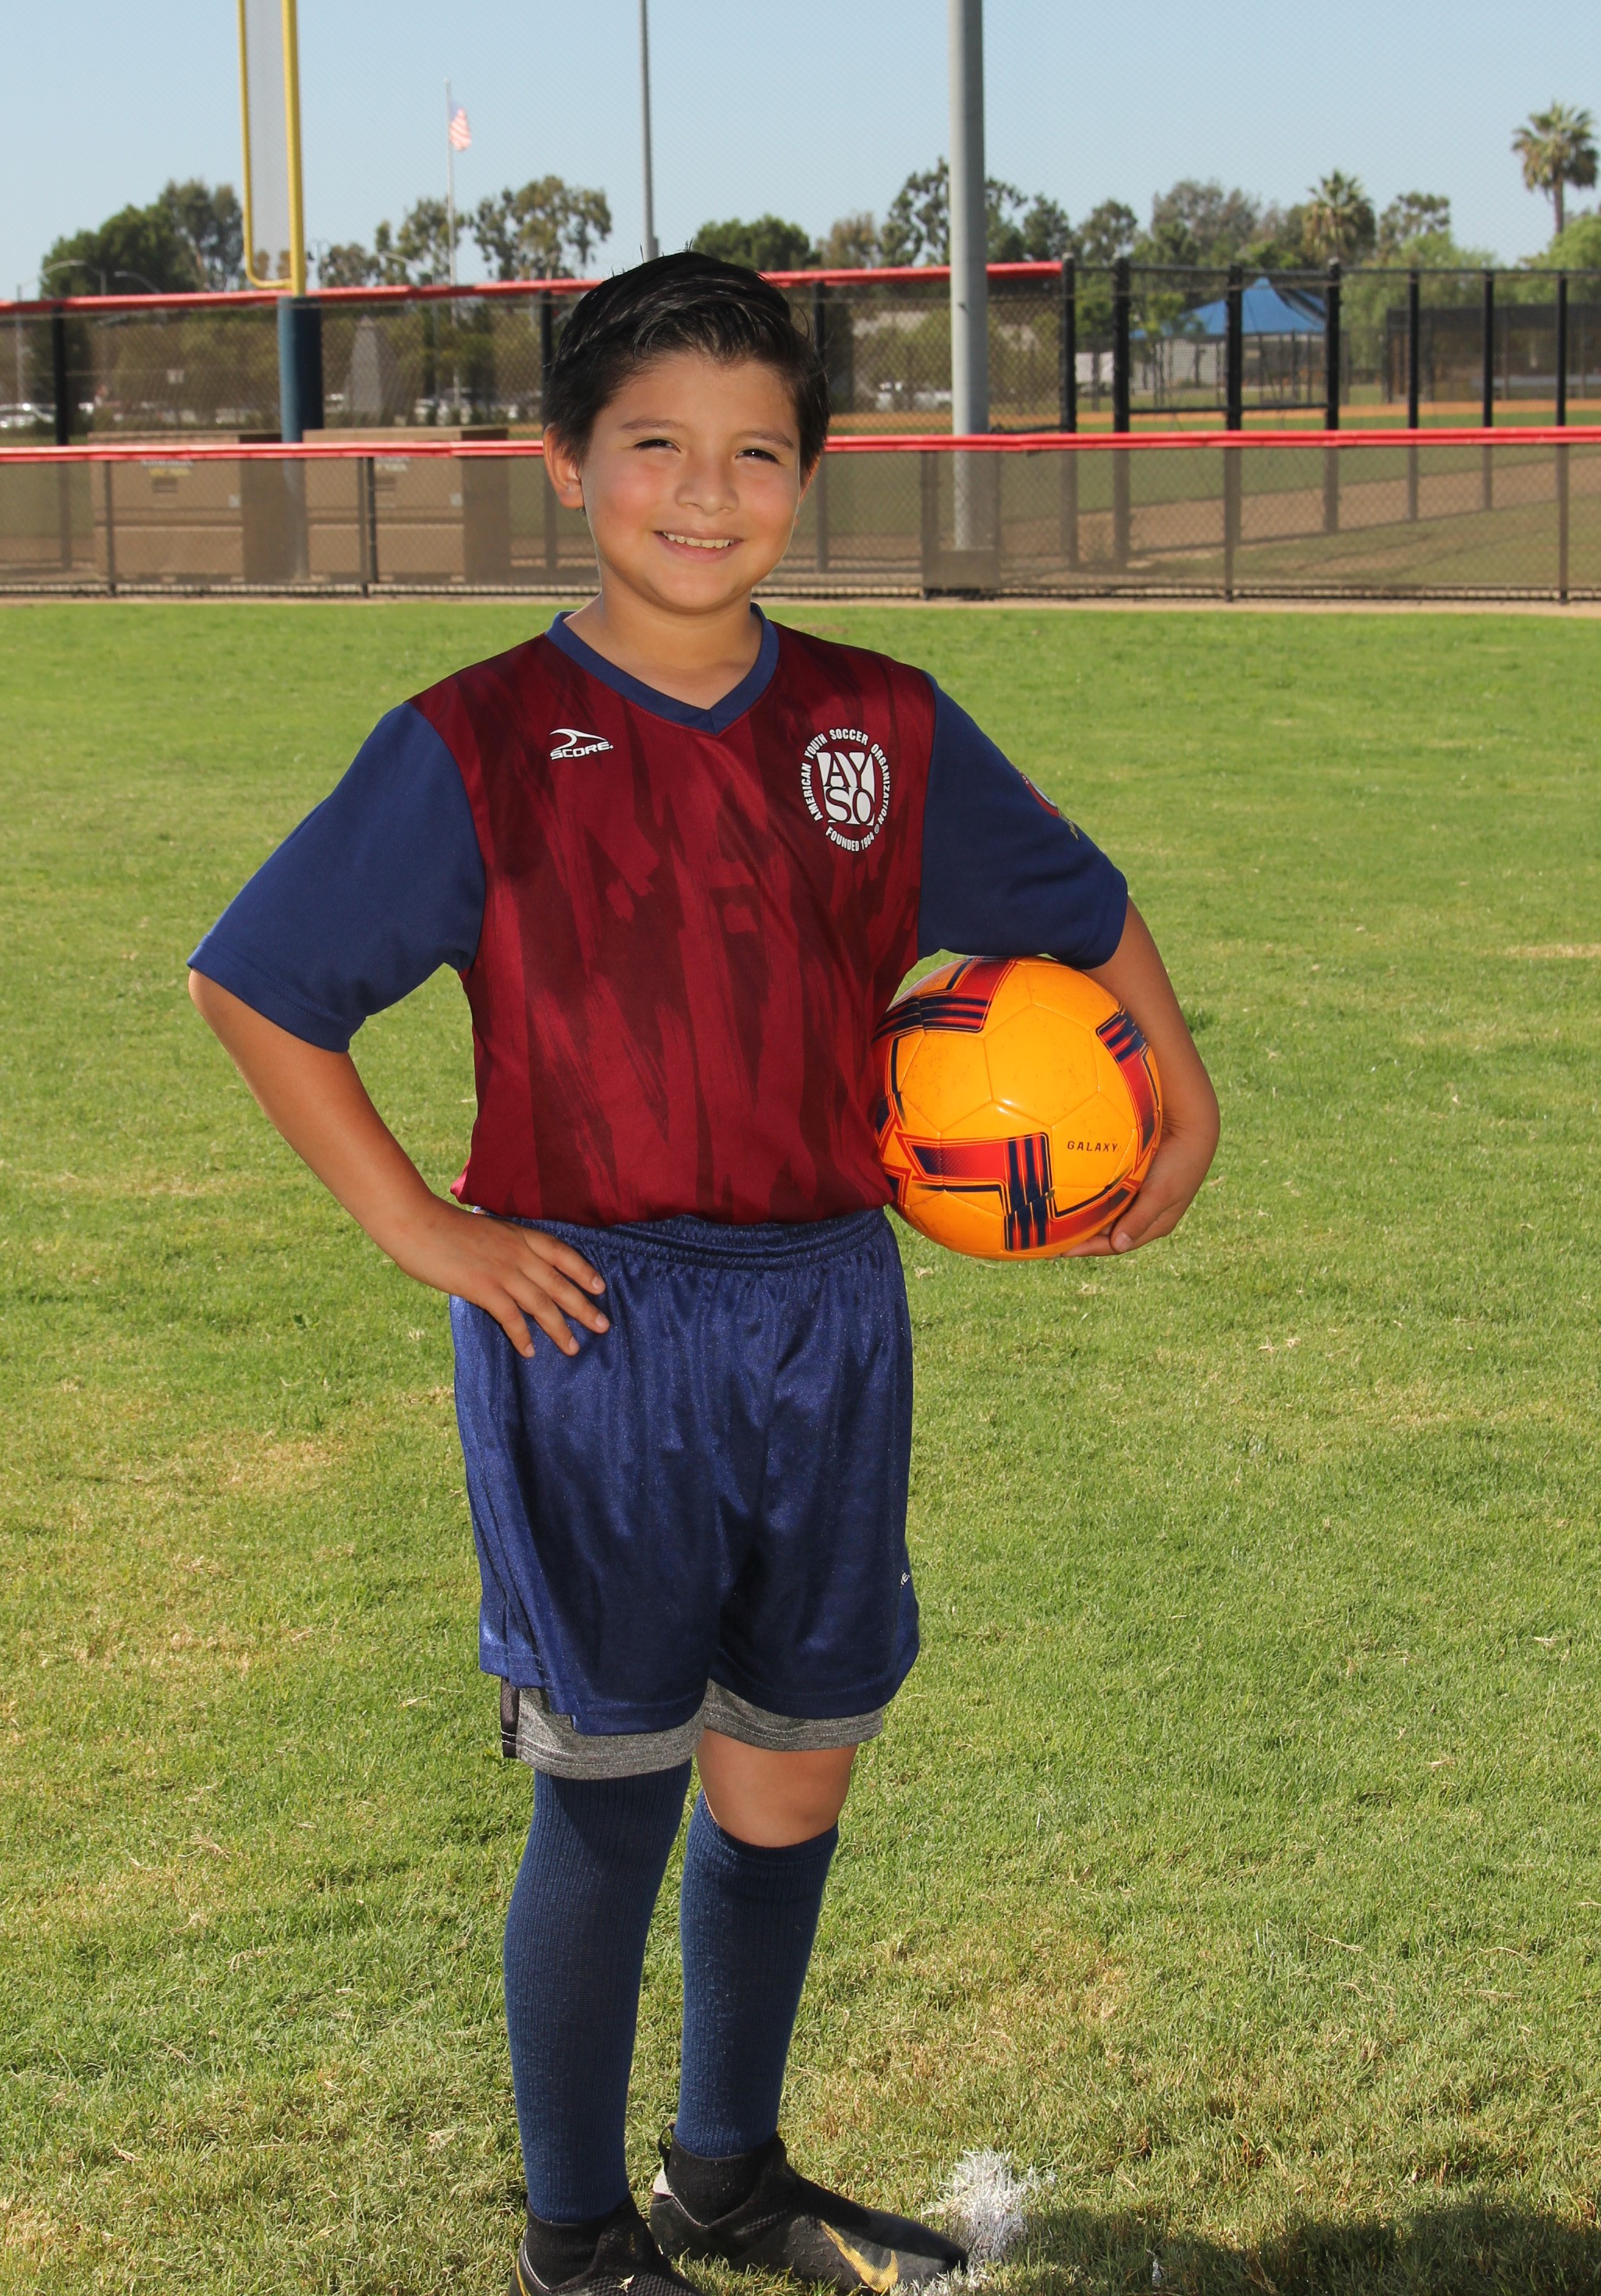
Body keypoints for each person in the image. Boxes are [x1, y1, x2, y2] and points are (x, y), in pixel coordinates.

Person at [188, 254, 1219, 2294]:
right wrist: (425, 1227)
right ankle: (576, 2239)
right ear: (568, 464)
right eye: (654, 444)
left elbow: (1080, 903)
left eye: (754, 454)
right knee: (612, 1789)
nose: (703, 492)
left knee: (791, 1763)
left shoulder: (877, 725)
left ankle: (727, 2175)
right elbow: (260, 983)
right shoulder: (475, 742)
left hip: (826, 1306)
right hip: (596, 1328)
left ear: (806, 481)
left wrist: (1179, 1101)